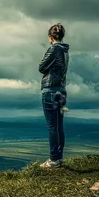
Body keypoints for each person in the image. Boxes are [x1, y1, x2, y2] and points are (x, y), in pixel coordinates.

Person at [38, 23, 70, 168]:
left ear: (50, 37)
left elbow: (41, 67)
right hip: (61, 91)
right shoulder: (65, 51)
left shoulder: (54, 49)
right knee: (59, 126)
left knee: (52, 126)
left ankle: (53, 160)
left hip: (50, 91)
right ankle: (59, 157)